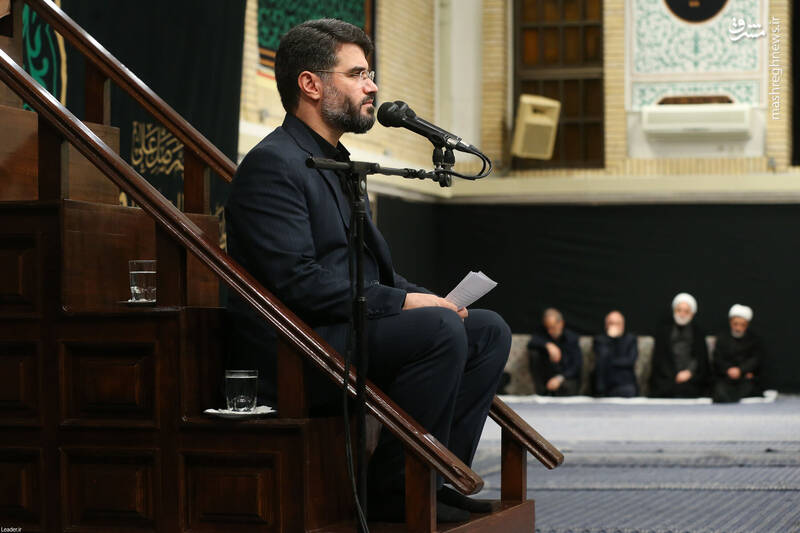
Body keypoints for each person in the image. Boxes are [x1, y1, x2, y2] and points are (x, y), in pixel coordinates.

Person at [224, 19, 510, 522]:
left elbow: (376, 273)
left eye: (370, 74)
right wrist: (406, 305)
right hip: (300, 344)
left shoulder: (340, 163)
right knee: (438, 330)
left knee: (486, 330)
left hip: (348, 328)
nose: (373, 86)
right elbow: (296, 282)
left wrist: (432, 299)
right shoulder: (274, 164)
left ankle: (436, 478)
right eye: (357, 74)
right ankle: (397, 493)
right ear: (311, 84)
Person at [650, 292, 711, 398]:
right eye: (679, 310)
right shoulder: (663, 332)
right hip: (667, 378)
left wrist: (689, 372)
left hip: (691, 379)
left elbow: (701, 359)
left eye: (686, 311)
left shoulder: (698, 333)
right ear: (674, 311)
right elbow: (659, 359)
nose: (682, 314)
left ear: (692, 314)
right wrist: (674, 375)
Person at [712, 304, 763, 403]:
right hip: (725, 377)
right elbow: (718, 359)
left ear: (747, 325)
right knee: (719, 391)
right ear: (730, 322)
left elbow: (755, 359)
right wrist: (728, 370)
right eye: (735, 324)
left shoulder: (753, 339)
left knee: (751, 387)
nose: (738, 328)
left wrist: (741, 370)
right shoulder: (722, 338)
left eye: (742, 325)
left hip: (744, 377)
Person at [527, 308, 582, 395]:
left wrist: (559, 378)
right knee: (534, 354)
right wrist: (548, 345)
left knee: (567, 387)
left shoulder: (571, 338)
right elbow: (531, 343)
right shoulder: (543, 335)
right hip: (548, 378)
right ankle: (542, 393)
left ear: (561, 323)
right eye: (547, 328)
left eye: (552, 327)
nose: (549, 331)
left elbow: (576, 365)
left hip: (566, 378)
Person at [592, 310, 638, 397]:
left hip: (624, 382)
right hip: (604, 381)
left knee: (628, 389)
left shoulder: (631, 340)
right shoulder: (600, 340)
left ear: (623, 325)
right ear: (606, 325)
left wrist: (612, 361)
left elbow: (630, 361)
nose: (614, 327)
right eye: (611, 323)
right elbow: (602, 359)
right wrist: (611, 339)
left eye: (617, 323)